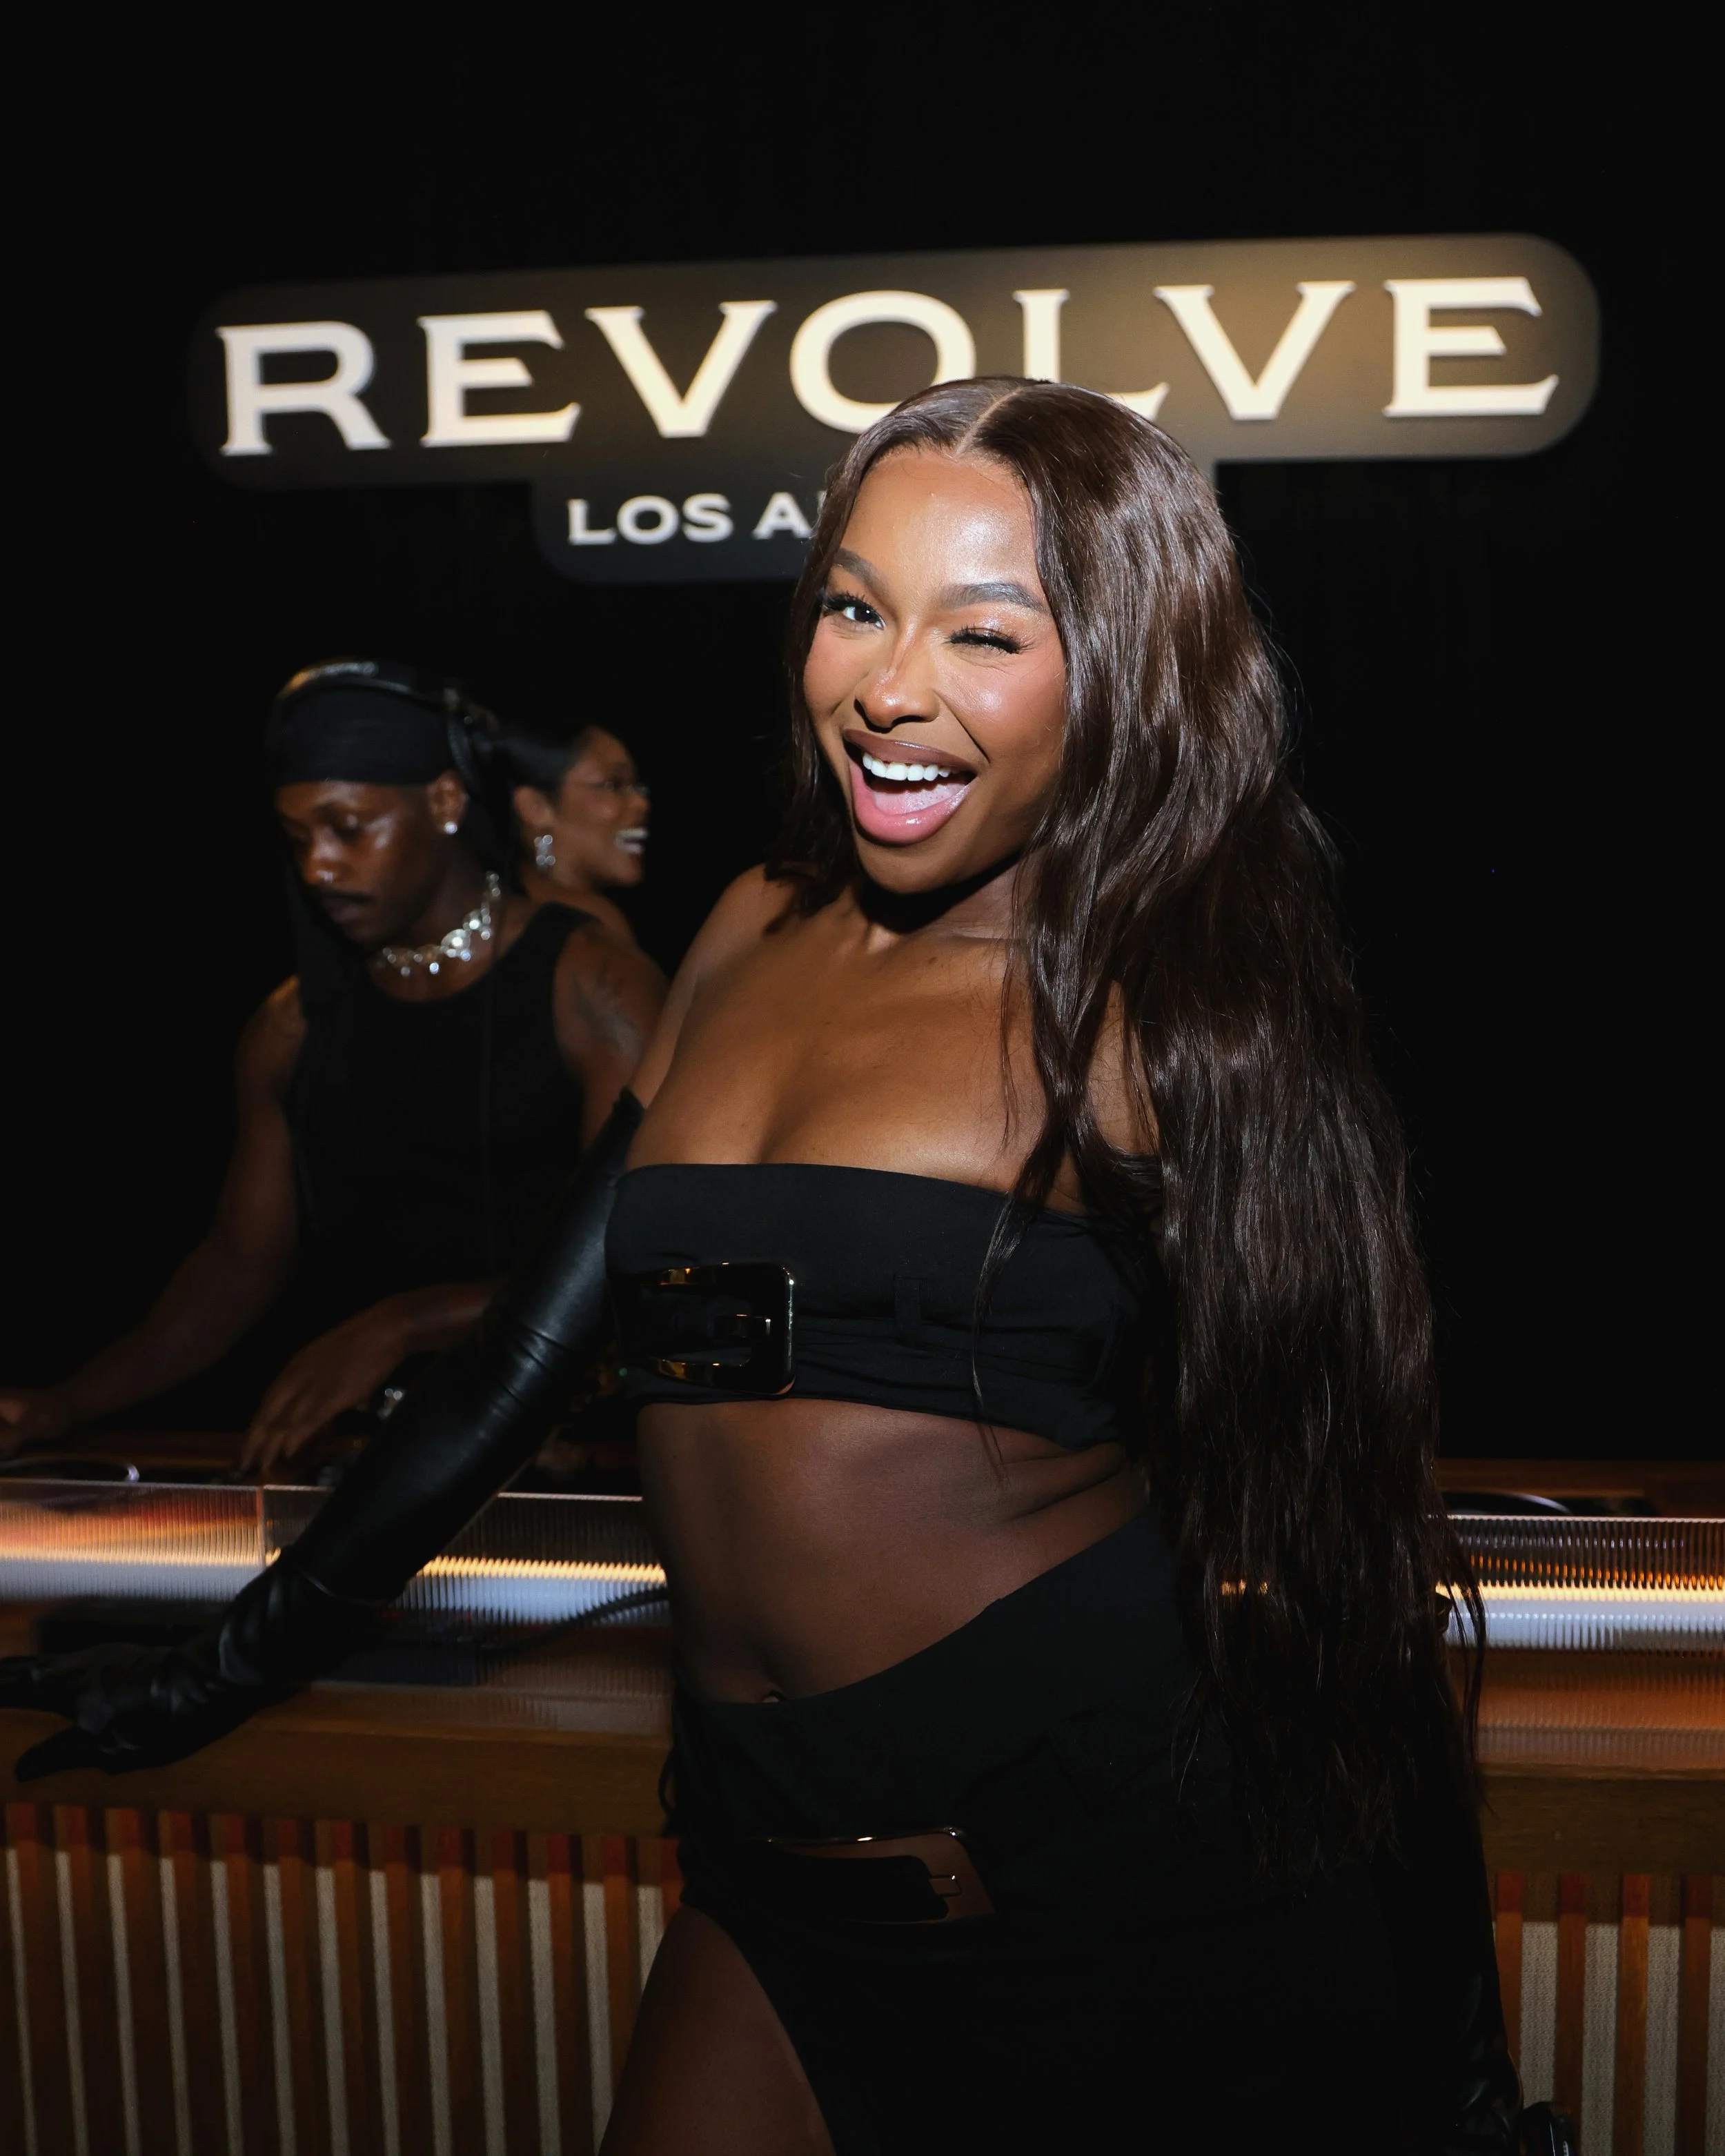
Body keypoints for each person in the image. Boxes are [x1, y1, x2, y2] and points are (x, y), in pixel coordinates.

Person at [0, 388, 1537, 2153]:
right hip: (766, 1869)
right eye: (853, 604)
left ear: (1120, 668)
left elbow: (1347, 1573)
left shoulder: (1180, 1010)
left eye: (985, 630)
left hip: (1121, 1869)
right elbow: (517, 1367)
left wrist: (1467, 2084)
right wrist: (230, 1659)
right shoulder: (747, 926)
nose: (889, 684)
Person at [0, 661, 664, 1477]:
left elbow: (631, 1251)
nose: (318, 866)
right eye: (296, 839)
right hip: (374, 1465)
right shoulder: (288, 1026)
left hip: (571, 1457)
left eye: (348, 827)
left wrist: (404, 1323)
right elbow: (240, 1265)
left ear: (446, 802)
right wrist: (70, 1402)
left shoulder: (594, 985)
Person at [505, 717, 652, 940]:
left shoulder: (501, 909)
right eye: (613, 785)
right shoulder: (587, 923)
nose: (641, 803)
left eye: (636, 787)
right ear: (536, 807)